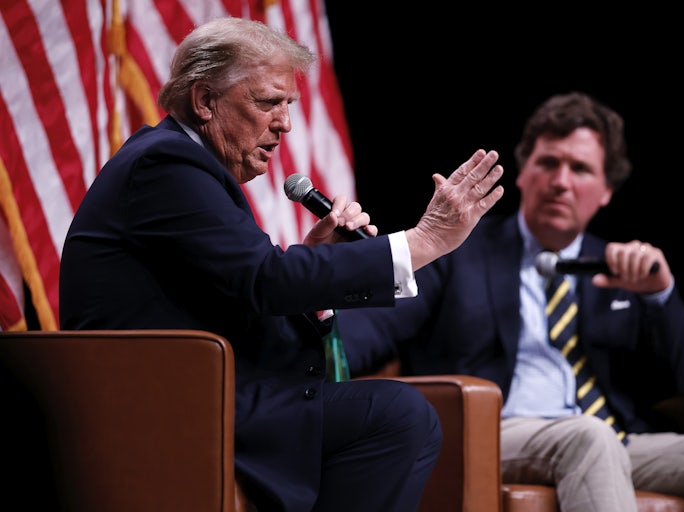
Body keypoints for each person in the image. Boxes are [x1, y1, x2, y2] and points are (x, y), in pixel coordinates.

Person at [58, 17, 505, 512]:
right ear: (204, 101)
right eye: (268, 102)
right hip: (167, 407)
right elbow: (264, 281)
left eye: (289, 104)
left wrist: (317, 268)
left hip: (203, 393)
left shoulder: (187, 166)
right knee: (398, 415)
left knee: (393, 415)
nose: (285, 123)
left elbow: (246, 292)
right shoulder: (165, 164)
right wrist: (423, 242)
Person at [337, 91, 684, 511]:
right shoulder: (459, 251)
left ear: (606, 190)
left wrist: (659, 297)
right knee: (589, 437)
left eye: (580, 169)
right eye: (548, 163)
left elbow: (676, 387)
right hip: (495, 433)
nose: (560, 182)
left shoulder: (622, 266)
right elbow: (366, 333)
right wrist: (319, 338)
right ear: (522, 173)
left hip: (613, 440)